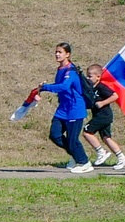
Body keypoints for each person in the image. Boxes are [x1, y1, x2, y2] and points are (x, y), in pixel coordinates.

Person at [20, 44, 92, 173]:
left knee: (72, 139)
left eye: (60, 52)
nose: (57, 54)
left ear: (67, 54)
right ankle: (77, 156)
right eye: (56, 52)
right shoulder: (60, 69)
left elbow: (64, 86)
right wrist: (42, 88)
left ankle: (84, 162)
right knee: (55, 135)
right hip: (63, 109)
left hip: (74, 109)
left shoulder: (71, 71)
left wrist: (46, 87)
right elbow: (59, 86)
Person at [80, 58, 125, 169]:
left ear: (98, 77)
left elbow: (115, 96)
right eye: (87, 76)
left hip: (104, 115)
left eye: (90, 76)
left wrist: (103, 103)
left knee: (87, 131)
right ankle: (122, 157)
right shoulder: (91, 88)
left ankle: (101, 152)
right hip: (99, 115)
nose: (88, 78)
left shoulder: (101, 87)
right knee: (106, 137)